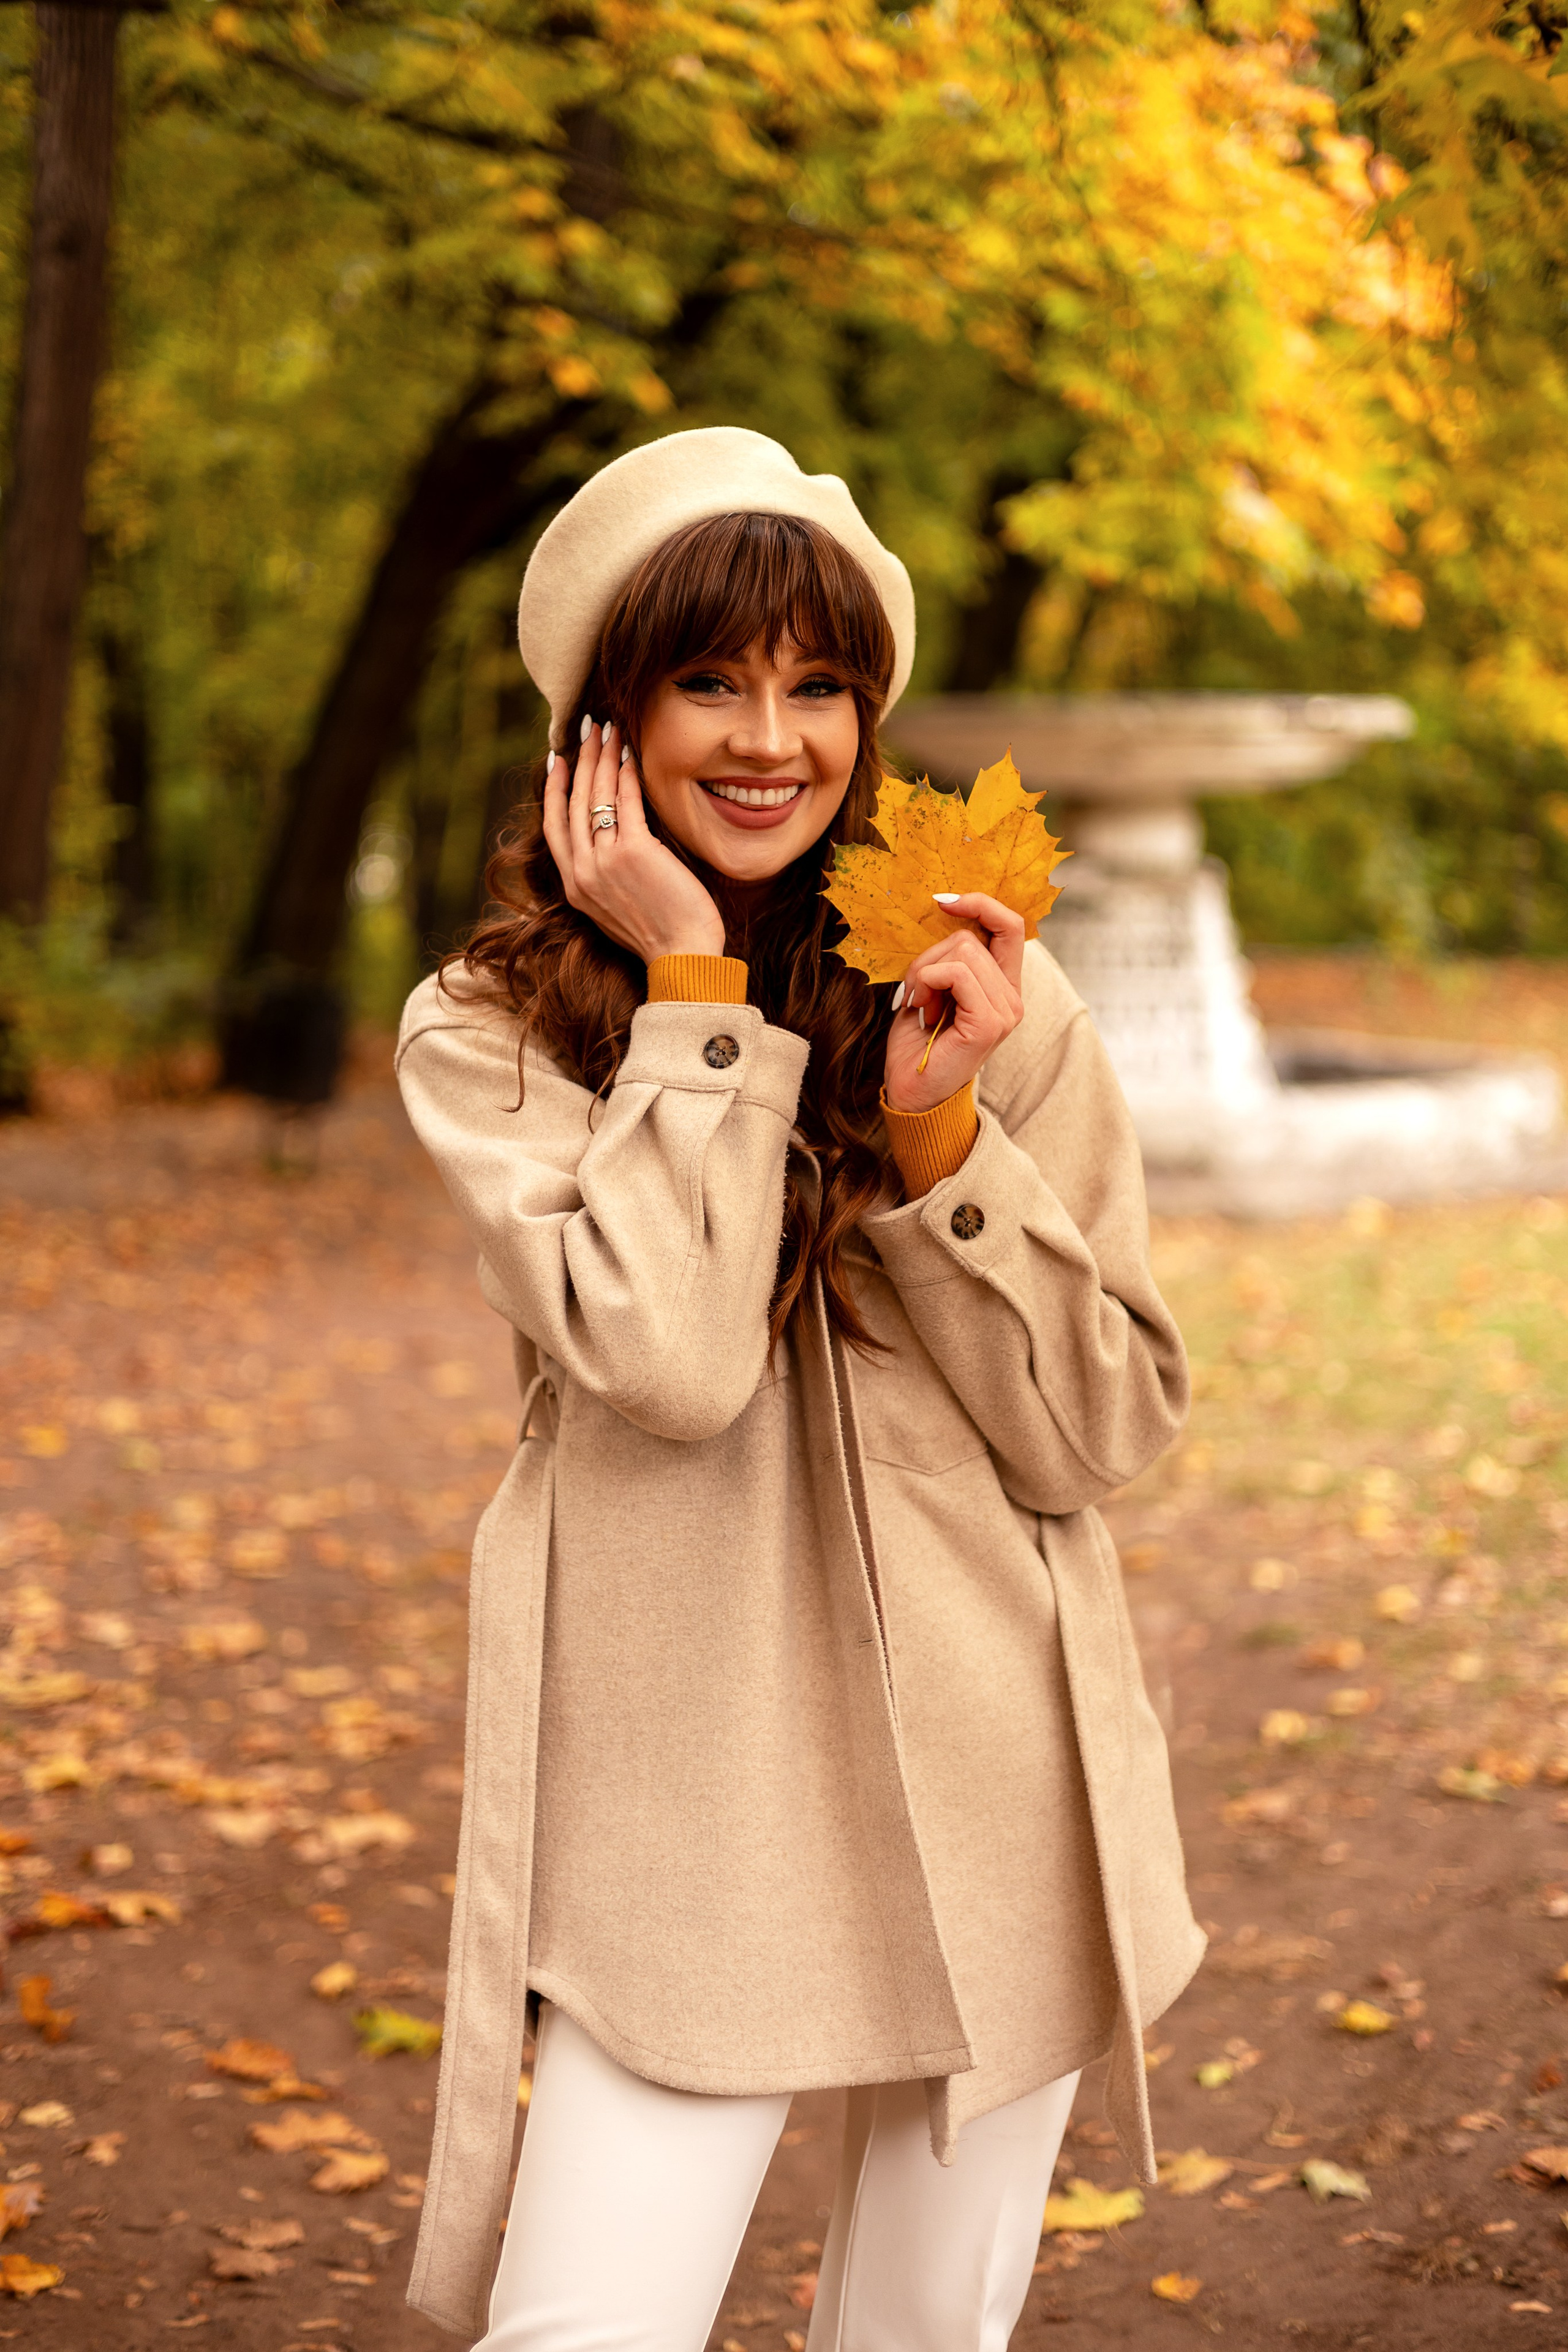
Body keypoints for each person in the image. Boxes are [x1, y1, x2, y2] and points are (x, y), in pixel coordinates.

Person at [395, 427, 1202, 2351]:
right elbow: (670, 1368)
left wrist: (939, 1143)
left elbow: (1107, 1428)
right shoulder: (490, 1031)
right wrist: (693, 986)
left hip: (992, 1776)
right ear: (611, 715)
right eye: (710, 679)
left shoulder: (985, 990)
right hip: (695, 1804)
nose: (773, 737)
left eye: (818, 683)